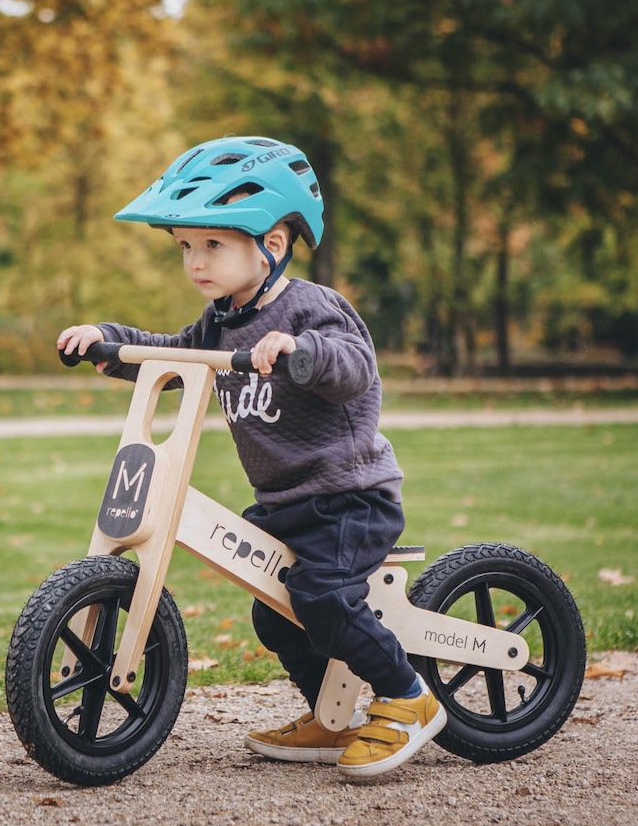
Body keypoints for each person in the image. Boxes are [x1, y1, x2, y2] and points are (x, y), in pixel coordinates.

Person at [57, 135, 447, 778]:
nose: (195, 262)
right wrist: (109, 341)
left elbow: (353, 367)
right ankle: (333, 717)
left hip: (351, 497)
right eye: (186, 246)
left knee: (319, 596)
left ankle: (407, 698)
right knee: (276, 611)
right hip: (286, 504)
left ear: (270, 244)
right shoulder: (218, 321)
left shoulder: (312, 307)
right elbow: (175, 354)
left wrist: (299, 352)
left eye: (213, 244)